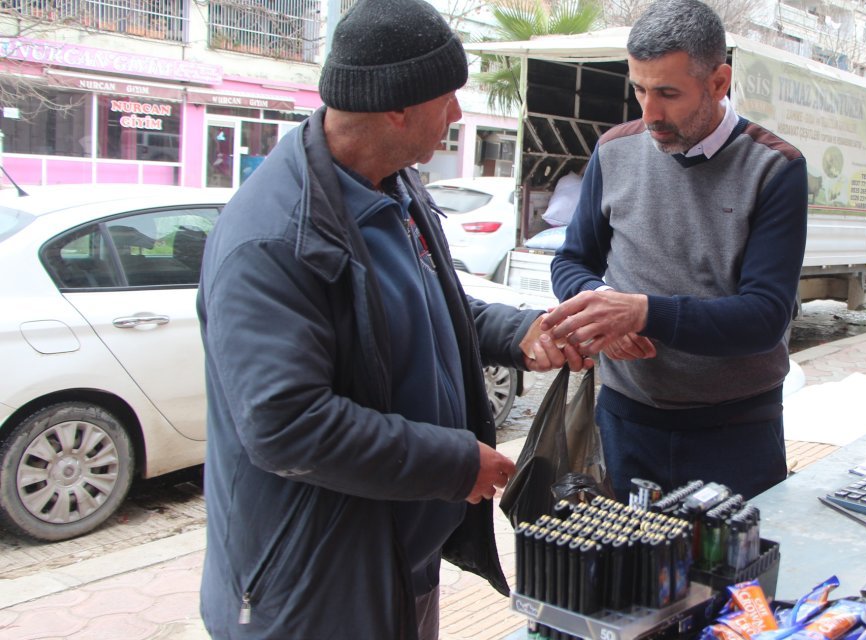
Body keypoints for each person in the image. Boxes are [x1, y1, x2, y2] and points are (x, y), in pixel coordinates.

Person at [196, 0, 589, 637]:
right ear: (396, 107)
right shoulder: (273, 239)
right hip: (314, 585)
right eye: (447, 98)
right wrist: (454, 464)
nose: (457, 115)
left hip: (394, 554)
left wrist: (520, 334)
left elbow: (435, 307)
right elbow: (285, 425)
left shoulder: (393, 187)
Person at [541, 0, 808, 501]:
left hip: (736, 433)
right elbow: (572, 261)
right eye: (639, 89)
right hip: (624, 424)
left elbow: (765, 316)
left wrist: (640, 314)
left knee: (731, 579)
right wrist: (603, 311)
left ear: (719, 82)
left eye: (667, 93)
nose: (649, 113)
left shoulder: (775, 167)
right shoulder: (613, 150)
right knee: (620, 578)